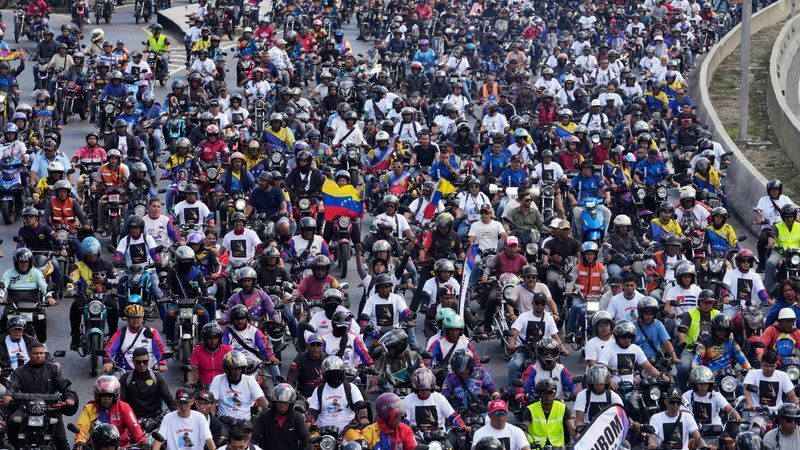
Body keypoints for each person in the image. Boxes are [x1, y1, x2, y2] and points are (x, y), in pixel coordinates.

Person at [3, 341, 77, 450]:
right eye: (36, 353)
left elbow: (65, 385)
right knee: (12, 423)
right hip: (25, 408)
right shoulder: (19, 371)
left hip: (51, 409)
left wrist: (69, 398)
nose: (39, 356)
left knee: (61, 440)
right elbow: (12, 386)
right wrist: (8, 395)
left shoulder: (54, 369)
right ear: (29, 354)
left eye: (41, 353)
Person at [67, 237, 117, 350]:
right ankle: (75, 336)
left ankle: (114, 337)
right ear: (84, 254)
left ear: (98, 253)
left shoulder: (107, 265)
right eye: (89, 255)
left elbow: (116, 280)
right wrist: (71, 291)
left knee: (114, 306)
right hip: (86, 297)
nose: (92, 257)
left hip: (104, 297)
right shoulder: (77, 266)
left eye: (94, 254)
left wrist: (105, 281)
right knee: (75, 307)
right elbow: (72, 280)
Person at [73, 376, 146, 449]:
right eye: (103, 395)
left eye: (110, 395)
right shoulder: (90, 408)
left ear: (115, 396)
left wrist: (142, 441)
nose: (107, 398)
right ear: (98, 396)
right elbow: (83, 426)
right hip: (96, 446)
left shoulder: (124, 407)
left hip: (121, 447)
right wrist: (80, 441)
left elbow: (134, 426)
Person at [0, 247, 55, 342]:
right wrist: (0, 296)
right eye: (21, 262)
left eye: (26, 262)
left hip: (34, 304)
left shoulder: (36, 273)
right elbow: (3, 286)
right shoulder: (8, 273)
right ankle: (2, 344)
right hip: (13, 305)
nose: (23, 265)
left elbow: (44, 287)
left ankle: (42, 344)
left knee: (41, 317)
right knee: (5, 318)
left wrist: (49, 297)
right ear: (16, 262)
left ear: (30, 262)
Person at [306, 355, 364, 434]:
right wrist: (308, 422)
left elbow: (360, 405)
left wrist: (363, 417)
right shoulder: (319, 390)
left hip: (348, 431)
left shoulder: (351, 388)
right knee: (310, 443)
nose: (333, 376)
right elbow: (313, 411)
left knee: (357, 442)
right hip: (321, 433)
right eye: (330, 373)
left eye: (336, 373)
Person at [103, 304, 168, 372]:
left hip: (149, 372)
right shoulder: (120, 333)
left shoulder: (152, 332)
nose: (136, 320)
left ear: (142, 318)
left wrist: (162, 363)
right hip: (124, 373)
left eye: (139, 317)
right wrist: (107, 362)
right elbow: (109, 349)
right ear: (127, 319)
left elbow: (161, 349)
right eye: (133, 317)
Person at [404, 367, 466, 435]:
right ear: (415, 388)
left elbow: (452, 416)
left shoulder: (439, 398)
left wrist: (462, 426)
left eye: (427, 389)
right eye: (421, 389)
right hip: (418, 437)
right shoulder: (407, 400)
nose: (424, 392)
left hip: (440, 437)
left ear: (432, 388)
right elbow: (405, 421)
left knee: (450, 446)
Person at [119, 347, 177, 420]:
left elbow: (168, 397)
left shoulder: (156, 377)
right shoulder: (125, 378)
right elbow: (121, 402)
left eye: (145, 361)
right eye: (138, 362)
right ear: (133, 361)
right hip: (133, 419)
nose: (142, 364)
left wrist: (177, 416)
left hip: (155, 418)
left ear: (148, 360)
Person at [209, 351, 268, 419]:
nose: (237, 372)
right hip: (224, 422)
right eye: (234, 369)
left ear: (243, 369)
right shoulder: (218, 380)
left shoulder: (250, 380)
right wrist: (211, 423)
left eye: (239, 368)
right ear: (227, 369)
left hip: (244, 423)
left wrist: (270, 413)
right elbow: (212, 404)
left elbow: (261, 399)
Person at [253, 385, 311, 450]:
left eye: (285, 402)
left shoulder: (297, 417)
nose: (282, 405)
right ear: (274, 402)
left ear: (290, 404)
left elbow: (306, 438)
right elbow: (254, 438)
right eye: (280, 402)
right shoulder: (264, 416)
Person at [521, 378, 575, 447]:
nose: (547, 396)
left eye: (550, 392)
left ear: (554, 393)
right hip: (536, 448)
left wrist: (581, 444)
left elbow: (572, 430)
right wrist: (524, 445)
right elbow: (524, 430)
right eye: (544, 393)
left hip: (558, 448)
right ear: (540, 394)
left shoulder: (563, 408)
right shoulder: (530, 409)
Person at [635, 297, 679, 363]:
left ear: (655, 314)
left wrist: (674, 357)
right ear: (641, 313)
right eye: (646, 314)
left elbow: (666, 342)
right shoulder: (632, 326)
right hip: (636, 362)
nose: (649, 317)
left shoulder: (658, 324)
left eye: (651, 314)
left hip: (655, 361)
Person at [188, 323, 233, 387]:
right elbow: (192, 370)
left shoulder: (227, 349)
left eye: (215, 338)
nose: (213, 341)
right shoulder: (197, 350)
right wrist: (190, 382)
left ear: (219, 338)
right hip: (203, 387)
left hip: (224, 386)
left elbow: (233, 368)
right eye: (209, 338)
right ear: (205, 339)